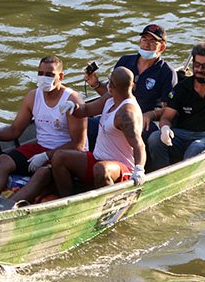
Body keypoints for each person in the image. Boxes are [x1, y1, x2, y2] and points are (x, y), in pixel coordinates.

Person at [0, 56, 86, 203]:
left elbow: (78, 146)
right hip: (41, 147)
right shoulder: (33, 96)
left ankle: (6, 207)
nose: (44, 78)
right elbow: (14, 130)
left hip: (64, 156)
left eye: (49, 75)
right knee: (4, 160)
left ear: (60, 76)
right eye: (41, 73)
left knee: (42, 173)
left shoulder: (72, 101)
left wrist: (46, 156)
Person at [49, 66, 146, 196]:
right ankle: (67, 200)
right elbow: (86, 110)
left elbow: (139, 144)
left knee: (101, 169)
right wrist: (73, 106)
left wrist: (139, 169)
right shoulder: (109, 99)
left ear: (112, 86)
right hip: (98, 160)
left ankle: (110, 205)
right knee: (59, 157)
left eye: (108, 81)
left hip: (121, 168)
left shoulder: (126, 114)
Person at [147, 42, 205, 171]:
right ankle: (161, 172)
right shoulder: (181, 88)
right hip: (182, 135)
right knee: (154, 138)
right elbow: (167, 116)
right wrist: (165, 128)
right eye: (196, 65)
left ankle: (183, 175)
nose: (200, 70)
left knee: (196, 147)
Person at [83, 24, 177, 144]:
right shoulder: (125, 61)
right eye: (144, 40)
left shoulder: (167, 72)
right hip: (116, 116)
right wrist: (95, 84)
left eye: (153, 42)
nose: (147, 45)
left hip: (142, 121)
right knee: (87, 124)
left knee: (150, 138)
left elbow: (170, 109)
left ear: (162, 47)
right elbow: (111, 94)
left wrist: (151, 114)